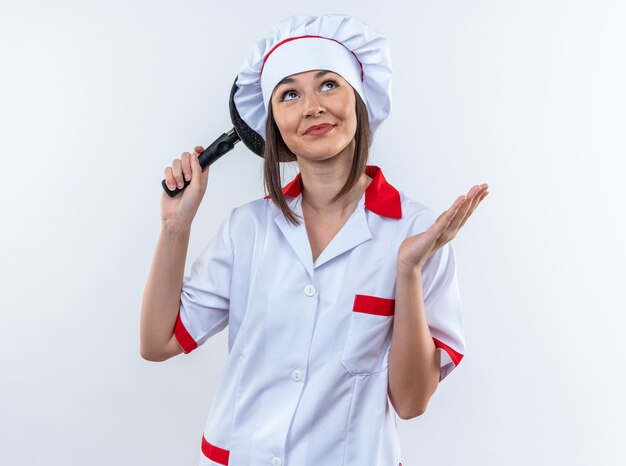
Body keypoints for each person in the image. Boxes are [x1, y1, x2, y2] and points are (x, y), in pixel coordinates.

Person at [140, 13, 488, 466]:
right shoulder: (248, 229)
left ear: (359, 101)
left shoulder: (421, 232)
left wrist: (406, 273)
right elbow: (157, 343)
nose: (312, 107)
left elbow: (411, 402)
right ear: (274, 127)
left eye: (328, 85)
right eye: (289, 94)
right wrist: (174, 228)